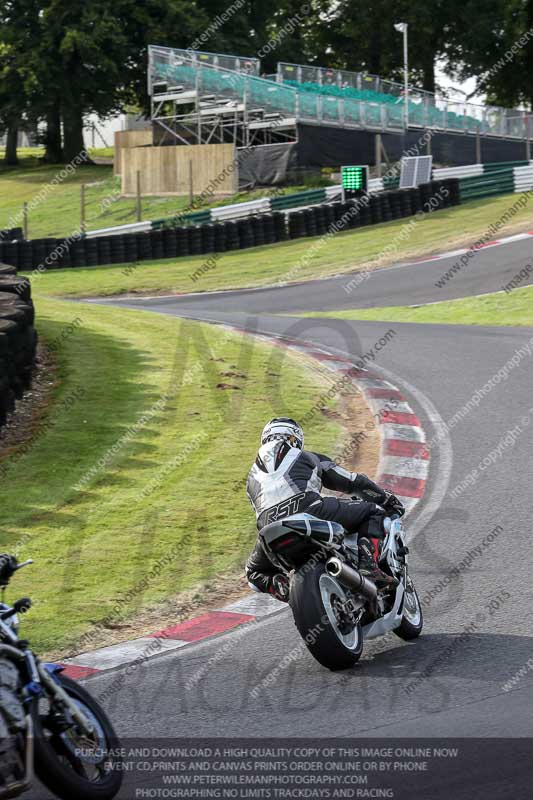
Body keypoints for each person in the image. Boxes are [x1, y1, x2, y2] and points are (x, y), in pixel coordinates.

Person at [245, 417, 404, 602]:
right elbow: (353, 482)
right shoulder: (307, 456)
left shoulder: (251, 478)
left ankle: (282, 587)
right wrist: (385, 499)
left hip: (268, 528)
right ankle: (369, 567)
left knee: (253, 572)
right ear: (295, 439)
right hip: (310, 509)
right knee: (373, 511)